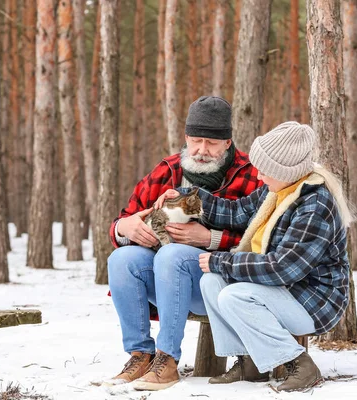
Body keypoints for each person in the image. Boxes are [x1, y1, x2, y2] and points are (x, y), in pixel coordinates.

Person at [155, 121, 355, 392]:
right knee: (211, 282)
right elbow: (237, 212)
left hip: (313, 301)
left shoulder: (314, 204)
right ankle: (249, 361)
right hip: (282, 290)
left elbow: (284, 267)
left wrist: (223, 261)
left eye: (266, 169)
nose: (259, 175)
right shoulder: (277, 190)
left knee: (232, 294)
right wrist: (186, 198)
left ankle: (300, 364)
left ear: (287, 170)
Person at [106, 96, 262, 391]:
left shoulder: (251, 175)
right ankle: (141, 355)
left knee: (173, 255)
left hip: (223, 287)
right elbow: (123, 221)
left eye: (212, 143)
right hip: (169, 286)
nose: (202, 150)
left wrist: (210, 238)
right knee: (121, 260)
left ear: (227, 142)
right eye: (196, 140)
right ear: (186, 137)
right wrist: (123, 228)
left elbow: (266, 241)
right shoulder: (167, 170)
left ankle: (168, 359)